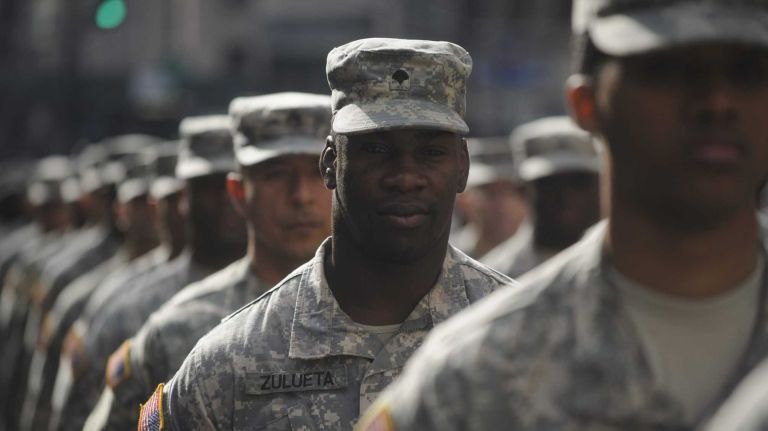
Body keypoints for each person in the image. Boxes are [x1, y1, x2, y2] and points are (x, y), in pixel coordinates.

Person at [358, 0, 768, 429]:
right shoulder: (471, 382)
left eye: (749, 72)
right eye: (668, 70)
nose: (718, 102)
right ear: (586, 104)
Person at [138, 38, 512, 430]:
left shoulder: (526, 338)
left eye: (431, 152)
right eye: (378, 149)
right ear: (331, 163)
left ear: (463, 168)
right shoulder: (230, 364)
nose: (405, 177)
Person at [86, 92, 333, 430]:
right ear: (240, 193)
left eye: (317, 172)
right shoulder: (176, 329)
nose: (300, 196)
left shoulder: (384, 313)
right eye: (276, 174)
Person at [50, 117, 247, 430]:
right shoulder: (131, 309)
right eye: (210, 187)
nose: (226, 201)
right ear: (185, 196)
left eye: (234, 183)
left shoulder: (295, 300)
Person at [479, 116, 601, 278]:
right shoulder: (493, 278)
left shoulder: (630, 269)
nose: (567, 196)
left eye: (579, 181)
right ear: (522, 190)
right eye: (551, 184)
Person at [451, 136, 527, 258]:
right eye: (490, 193)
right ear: (464, 200)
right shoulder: (444, 257)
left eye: (510, 192)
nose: (502, 205)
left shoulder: (545, 258)